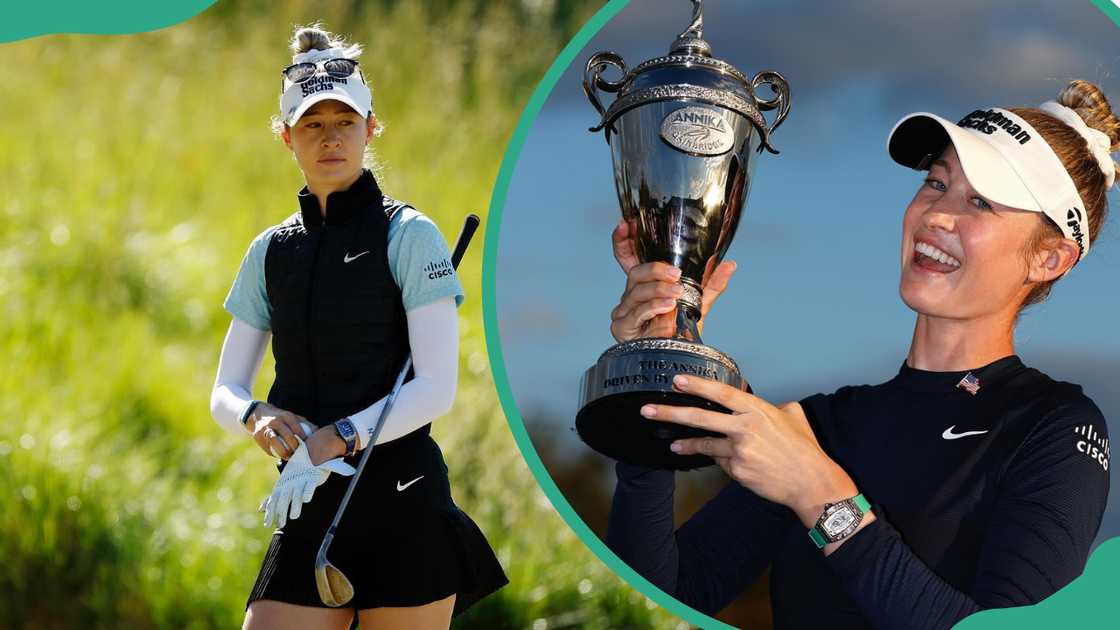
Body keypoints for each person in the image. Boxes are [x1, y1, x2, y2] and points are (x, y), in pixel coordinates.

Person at [604, 80, 1115, 629]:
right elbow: (653, 603)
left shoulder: (1055, 427)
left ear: (1051, 259)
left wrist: (822, 498)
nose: (937, 215)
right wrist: (652, 373)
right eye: (936, 183)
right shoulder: (819, 428)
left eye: (980, 202)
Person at [209, 24, 507, 630]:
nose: (330, 138)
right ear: (286, 136)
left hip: (404, 506)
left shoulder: (408, 234)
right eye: (313, 125)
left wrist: (338, 436)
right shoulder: (271, 251)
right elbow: (225, 389)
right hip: (309, 502)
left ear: (371, 128)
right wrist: (254, 416)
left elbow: (435, 388)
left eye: (344, 122)